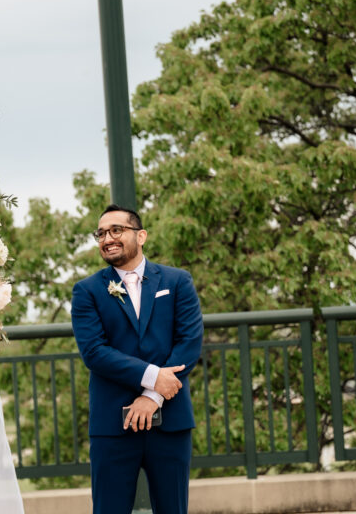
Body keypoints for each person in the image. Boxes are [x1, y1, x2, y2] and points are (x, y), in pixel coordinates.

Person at [71, 204, 204, 514]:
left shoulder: (178, 281)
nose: (107, 239)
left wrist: (153, 396)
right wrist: (152, 376)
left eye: (116, 230)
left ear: (140, 235)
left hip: (170, 421)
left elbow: (189, 344)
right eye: (101, 233)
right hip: (112, 426)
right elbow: (94, 352)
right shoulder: (87, 291)